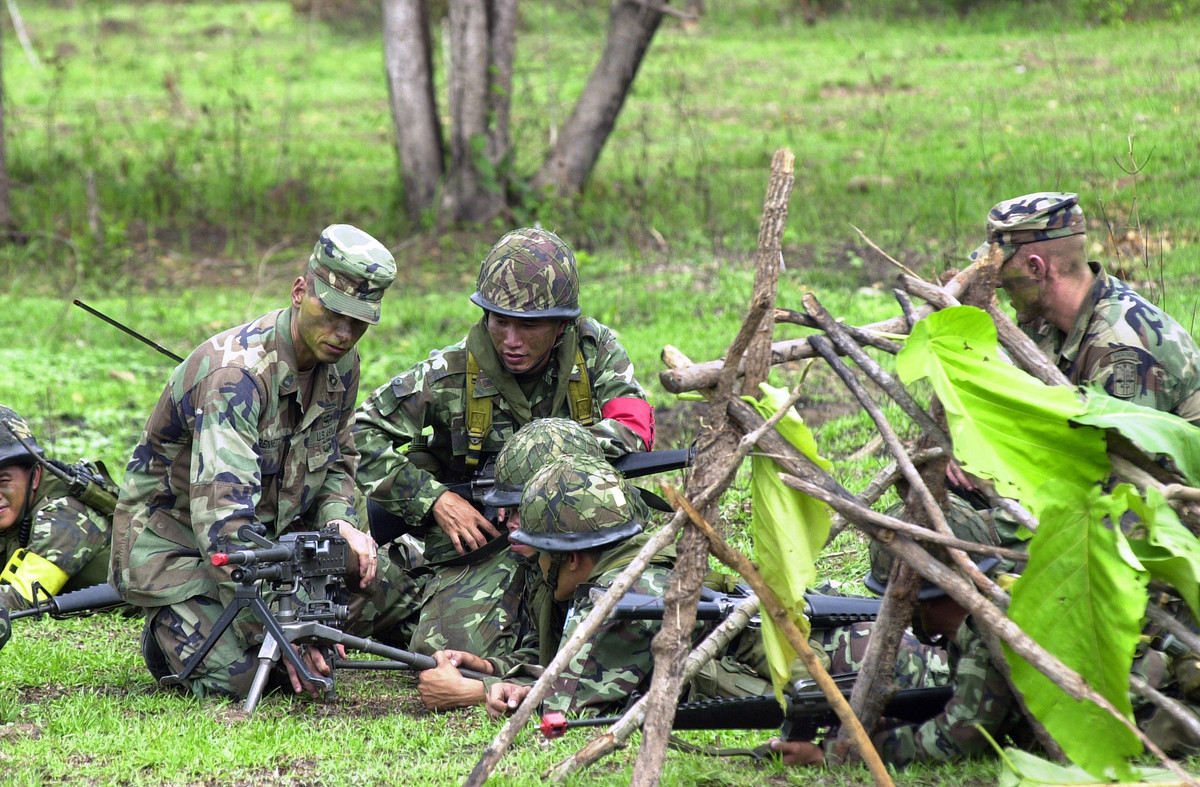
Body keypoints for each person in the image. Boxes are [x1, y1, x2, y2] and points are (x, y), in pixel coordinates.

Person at [110, 224, 422, 700]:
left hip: (275, 548)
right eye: (332, 313)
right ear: (300, 292)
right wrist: (283, 632)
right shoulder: (236, 377)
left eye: (358, 322)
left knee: (397, 595)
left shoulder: (340, 364)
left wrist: (341, 526)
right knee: (250, 675)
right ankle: (164, 636)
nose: (342, 334)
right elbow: (224, 529)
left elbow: (338, 461)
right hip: (183, 551)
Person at [354, 227, 655, 661]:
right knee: (449, 652)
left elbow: (635, 425)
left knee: (634, 625)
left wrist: (554, 472)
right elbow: (363, 432)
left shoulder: (595, 351)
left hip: (578, 540)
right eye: (500, 322)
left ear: (562, 324)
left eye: (529, 325)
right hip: (489, 541)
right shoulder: (452, 371)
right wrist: (435, 501)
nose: (512, 341)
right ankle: (419, 586)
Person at [770, 495, 1030, 767]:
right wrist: (890, 728)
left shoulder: (989, 632)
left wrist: (831, 755)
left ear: (914, 597)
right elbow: (988, 721)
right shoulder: (995, 602)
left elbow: (959, 740)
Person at [978, 191, 1200, 423]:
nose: (997, 281)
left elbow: (1120, 455)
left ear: (1036, 268)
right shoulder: (1042, 319)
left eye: (1001, 266)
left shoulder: (1120, 349)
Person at [0, 405, 115, 610]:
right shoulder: (18, 507)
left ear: (35, 476)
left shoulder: (65, 514)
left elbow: (21, 600)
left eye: (3, 481)